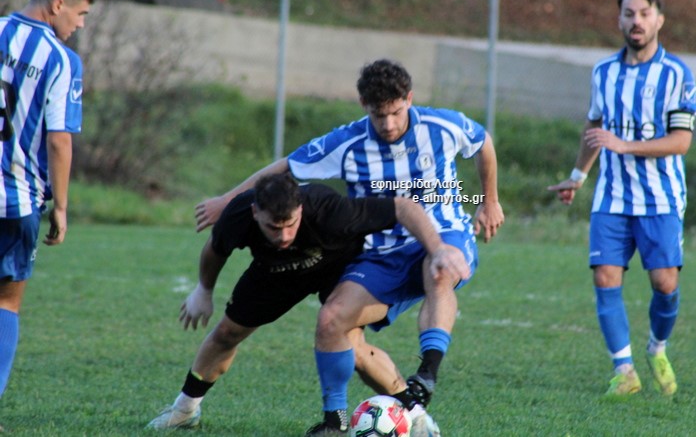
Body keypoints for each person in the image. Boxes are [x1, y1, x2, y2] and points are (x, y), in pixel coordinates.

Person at [195, 59, 504, 435]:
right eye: (378, 115)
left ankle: (427, 374)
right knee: (332, 319)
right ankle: (336, 422)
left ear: (409, 99)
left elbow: (483, 143)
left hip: (443, 235)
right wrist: (227, 200)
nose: (388, 124)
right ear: (363, 105)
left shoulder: (442, 126)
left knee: (437, 268)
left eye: (395, 112)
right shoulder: (347, 143)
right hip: (380, 251)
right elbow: (285, 167)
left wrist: (490, 201)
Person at [147, 172, 465, 430]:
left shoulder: (331, 209)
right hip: (276, 272)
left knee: (351, 345)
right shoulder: (239, 213)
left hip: (337, 270)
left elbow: (403, 208)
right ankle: (185, 410)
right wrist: (203, 290)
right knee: (227, 333)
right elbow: (215, 250)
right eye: (273, 227)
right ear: (256, 212)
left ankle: (415, 416)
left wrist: (437, 249)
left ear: (300, 208)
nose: (284, 235)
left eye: (290, 225)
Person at [548, 0, 696, 397]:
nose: (637, 21)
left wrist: (625, 145)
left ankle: (657, 348)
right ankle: (624, 371)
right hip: (612, 197)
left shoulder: (676, 75)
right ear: (619, 20)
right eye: (629, 14)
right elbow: (595, 127)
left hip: (661, 197)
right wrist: (578, 176)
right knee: (605, 276)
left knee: (665, 284)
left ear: (659, 20)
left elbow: (681, 142)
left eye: (644, 14)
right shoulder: (604, 72)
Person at [0, 0, 97, 406]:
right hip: (16, 200)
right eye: (80, 14)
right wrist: (60, 206)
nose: (80, 25)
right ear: (58, 5)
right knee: (6, 302)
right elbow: (59, 140)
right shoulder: (60, 60)